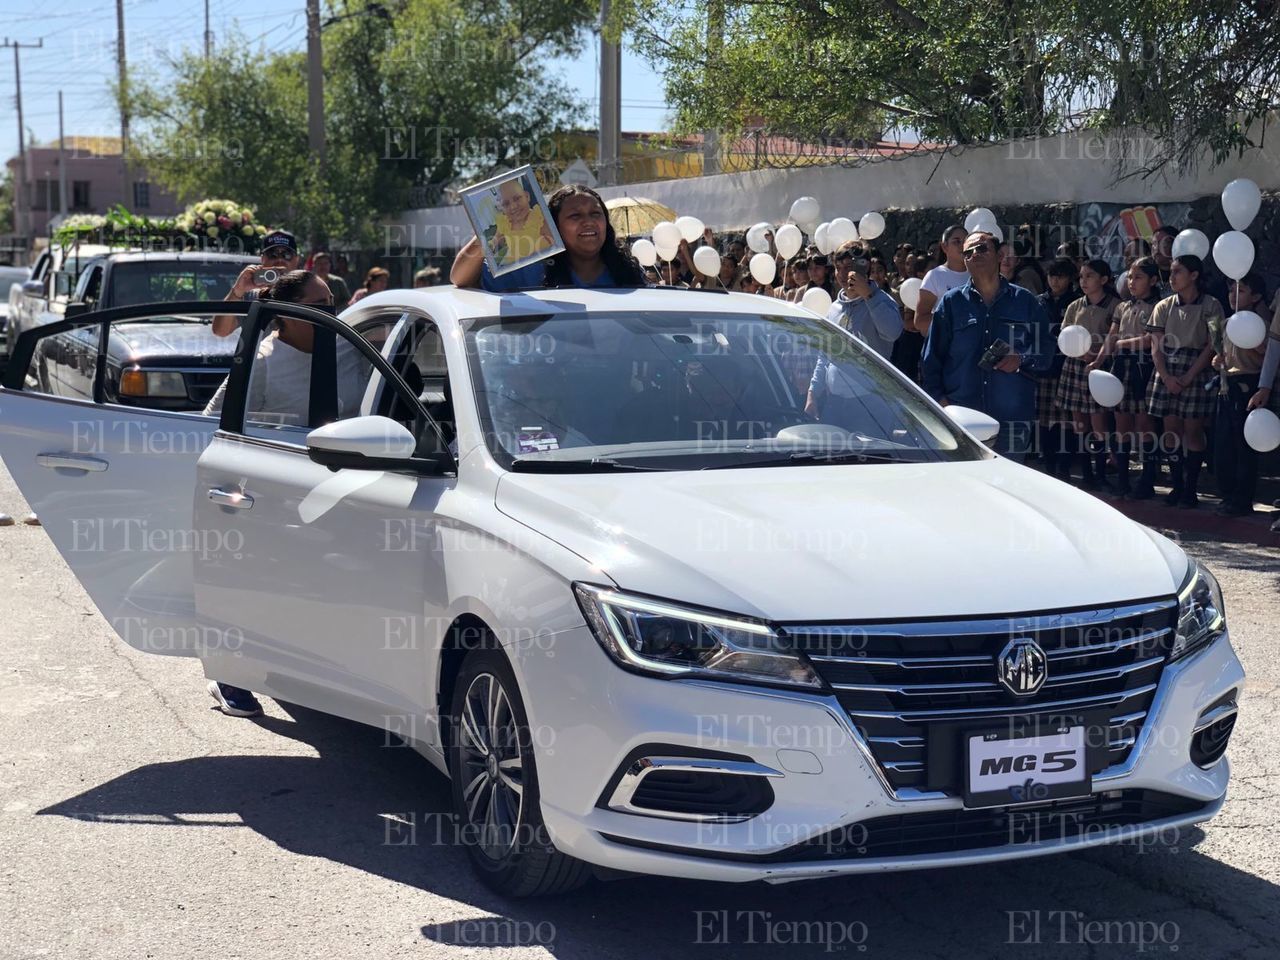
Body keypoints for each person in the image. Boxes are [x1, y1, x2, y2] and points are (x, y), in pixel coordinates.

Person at [204, 269, 360, 718]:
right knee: (256, 582)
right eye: (317, 307)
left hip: (344, 486)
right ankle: (231, 674)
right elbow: (217, 422)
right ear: (287, 315)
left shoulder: (353, 348)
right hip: (273, 489)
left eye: (332, 302)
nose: (329, 313)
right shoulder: (264, 360)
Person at [921, 231, 1054, 461]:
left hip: (1012, 421)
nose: (974, 255)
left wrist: (1021, 358)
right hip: (963, 420)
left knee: (1009, 490)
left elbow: (1047, 350)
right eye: (968, 253)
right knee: (965, 490)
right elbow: (931, 359)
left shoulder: (1026, 302)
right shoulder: (951, 304)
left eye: (982, 248)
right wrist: (940, 404)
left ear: (999, 256)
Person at [451, 184, 645, 290]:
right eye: (575, 216)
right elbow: (460, 279)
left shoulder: (627, 271)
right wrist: (485, 234)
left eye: (595, 214)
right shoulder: (531, 270)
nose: (588, 222)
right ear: (554, 226)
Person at [1146, 254, 1224, 508]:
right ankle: (1177, 485)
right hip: (1168, 367)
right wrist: (1167, 377)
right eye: (1170, 272)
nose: (1172, 277)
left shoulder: (1212, 305)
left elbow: (1213, 344)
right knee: (1171, 430)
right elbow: (1155, 346)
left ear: (1194, 275)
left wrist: (1189, 376)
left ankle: (1191, 487)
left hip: (1196, 369)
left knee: (1193, 430)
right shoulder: (1163, 306)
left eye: (1178, 271)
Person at [1055, 259, 1122, 490]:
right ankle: (1087, 474)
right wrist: (1079, 353)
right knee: (1079, 423)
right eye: (1081, 276)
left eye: (1090, 276)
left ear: (1103, 280)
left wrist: (1096, 356)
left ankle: (1100, 472)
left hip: (1101, 368)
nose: (1084, 281)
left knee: (1099, 423)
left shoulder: (1115, 305)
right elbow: (1066, 335)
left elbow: (1115, 337)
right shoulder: (1075, 306)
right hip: (1075, 367)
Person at [1097, 258, 1161, 497]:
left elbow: (1149, 339)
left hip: (1144, 366)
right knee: (1121, 422)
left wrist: (1121, 344)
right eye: (1130, 277)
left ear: (1153, 280)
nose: (1131, 282)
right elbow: (1111, 337)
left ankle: (1147, 480)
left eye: (1138, 277)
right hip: (1120, 366)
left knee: (1145, 424)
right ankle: (1123, 480)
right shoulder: (1122, 306)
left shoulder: (1158, 306)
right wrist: (1099, 360)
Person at [1212, 272, 1271, 515]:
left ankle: (1242, 499)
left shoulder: (1259, 323)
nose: (1233, 296)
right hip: (1228, 384)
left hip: (1249, 384)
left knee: (1244, 444)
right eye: (1231, 291)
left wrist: (1255, 341)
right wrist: (1219, 361)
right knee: (1224, 442)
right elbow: (1224, 355)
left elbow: (1267, 354)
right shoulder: (1227, 323)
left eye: (1241, 291)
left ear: (1255, 296)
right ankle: (1227, 493)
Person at [816, 241, 902, 360]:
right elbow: (825, 356)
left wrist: (869, 297)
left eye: (848, 267)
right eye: (838, 267)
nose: (841, 274)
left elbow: (893, 333)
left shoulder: (883, 300)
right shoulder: (834, 308)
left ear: (864, 267)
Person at [1034, 258, 1078, 479]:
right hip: (1044, 367)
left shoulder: (1077, 302)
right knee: (1044, 419)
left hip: (1068, 367)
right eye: (1051, 276)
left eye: (1060, 276)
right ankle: (1048, 462)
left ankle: (1066, 465)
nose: (1054, 280)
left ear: (1070, 278)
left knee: (1067, 420)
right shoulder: (1038, 302)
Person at [213, 229, 301, 337]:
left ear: (296, 260)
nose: (279, 260)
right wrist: (238, 290)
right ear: (262, 259)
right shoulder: (252, 296)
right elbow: (220, 331)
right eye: (272, 255)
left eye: (286, 255)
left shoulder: (309, 293)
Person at [915, 225, 970, 335]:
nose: (962, 246)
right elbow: (920, 321)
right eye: (956, 242)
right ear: (944, 247)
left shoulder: (978, 273)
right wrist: (952, 317)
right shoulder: (935, 276)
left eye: (965, 241)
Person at [492, 178, 553, 267]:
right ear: (502, 208)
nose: (513, 206)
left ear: (527, 196)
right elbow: (496, 239)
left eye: (517, 198)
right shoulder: (504, 223)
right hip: (516, 266)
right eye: (506, 204)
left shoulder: (539, 218)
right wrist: (490, 245)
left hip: (541, 265)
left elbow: (555, 244)